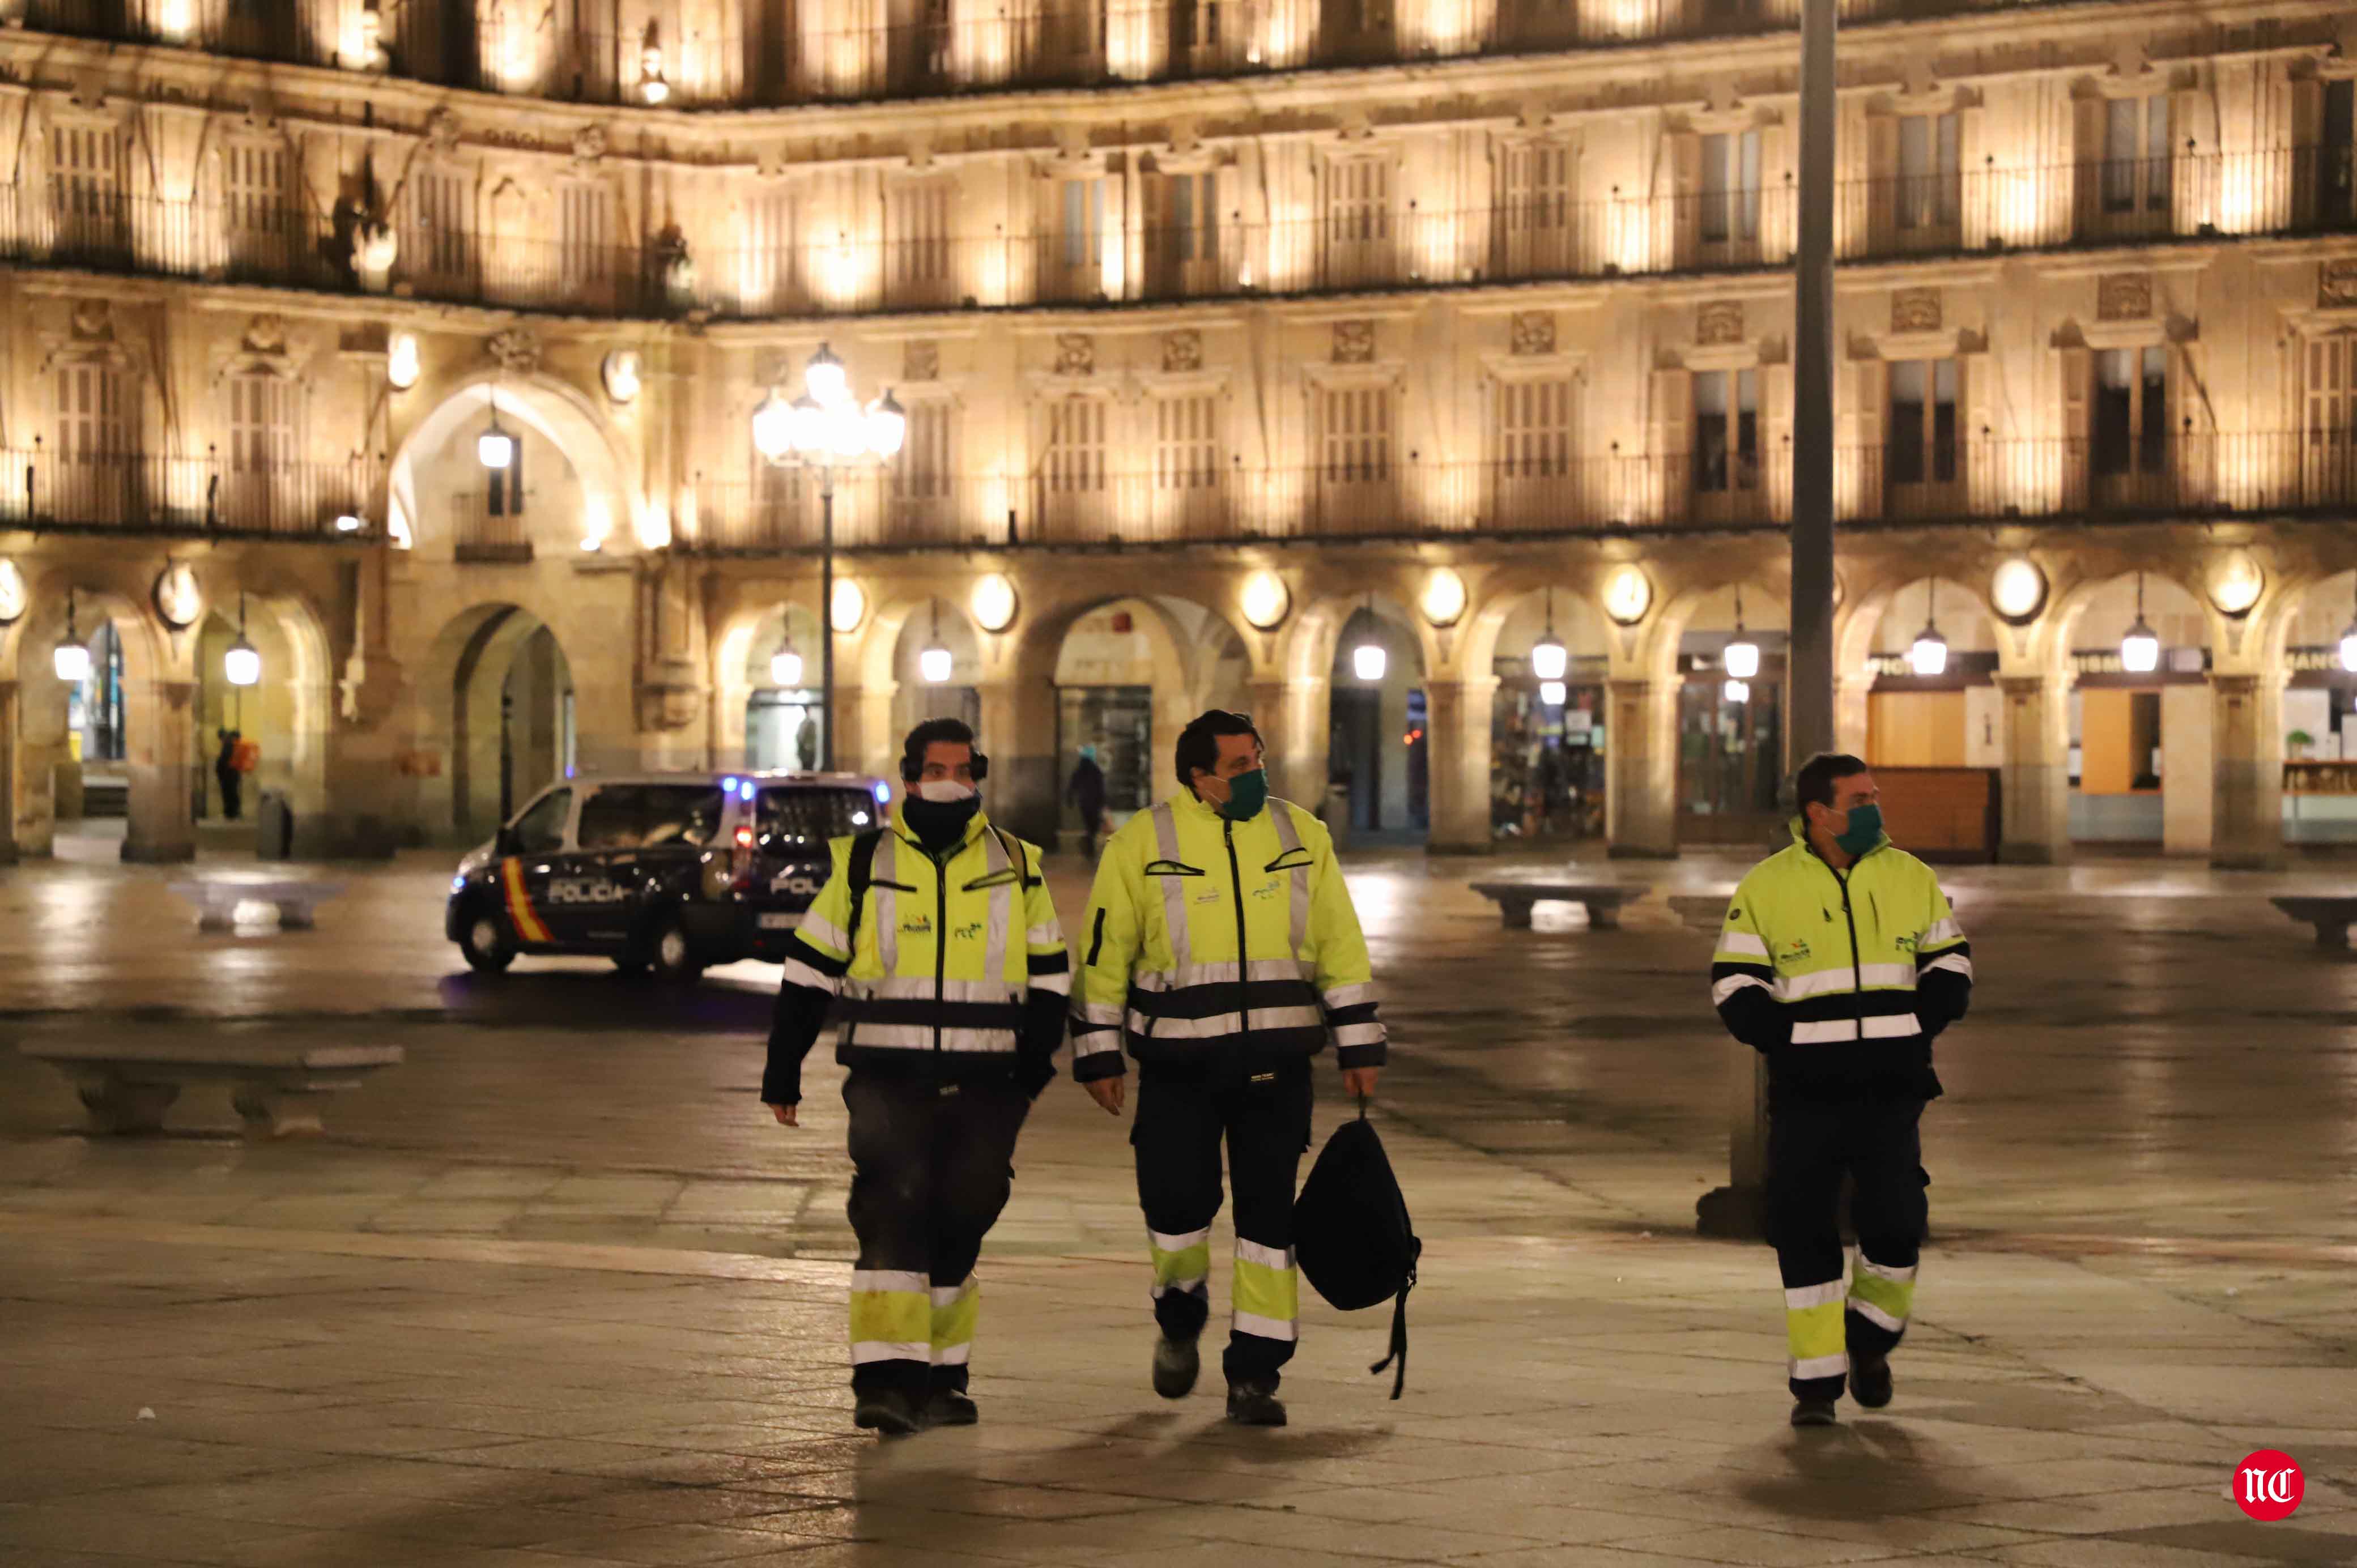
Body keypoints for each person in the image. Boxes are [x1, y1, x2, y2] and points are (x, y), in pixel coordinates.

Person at [1071, 709, 1386, 1428]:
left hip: (1277, 1064)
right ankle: (1179, 1314)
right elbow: (1104, 953)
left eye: (1257, 759)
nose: (1255, 774)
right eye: (1239, 765)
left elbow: (1340, 942)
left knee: (1268, 1223)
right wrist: (1097, 1051)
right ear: (1199, 776)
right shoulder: (1141, 842)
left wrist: (1359, 1042)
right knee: (1176, 1209)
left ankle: (1255, 1371)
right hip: (1178, 1067)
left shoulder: (1300, 835)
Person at [762, 718, 1070, 1437]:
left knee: (963, 1214)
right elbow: (807, 976)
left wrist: (1026, 1079)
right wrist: (784, 1070)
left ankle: (943, 1378)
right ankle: (887, 1382)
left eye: (964, 770)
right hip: (886, 1077)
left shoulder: (1016, 864)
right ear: (908, 777)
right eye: (937, 769)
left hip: (988, 1085)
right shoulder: (864, 863)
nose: (951, 782)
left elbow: (1053, 984)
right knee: (892, 1209)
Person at [1710, 753, 1973, 1429]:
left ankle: (1871, 1340)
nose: (1873, 808)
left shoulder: (1910, 875)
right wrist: (1785, 1039)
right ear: (1817, 812)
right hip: (1806, 1095)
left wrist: (1919, 1023)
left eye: (1874, 795)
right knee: (1801, 1229)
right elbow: (1734, 983)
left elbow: (1950, 963)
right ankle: (1816, 1386)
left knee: (1895, 1225)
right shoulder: (1766, 886)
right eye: (1859, 798)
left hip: (1891, 1089)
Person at [1067, 744, 1107, 859]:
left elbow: (1072, 786)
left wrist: (1070, 799)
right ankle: (1088, 845)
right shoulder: (1096, 770)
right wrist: (1103, 803)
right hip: (1095, 803)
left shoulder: (1080, 770)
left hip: (1084, 802)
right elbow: (1101, 788)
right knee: (1093, 826)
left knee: (1089, 825)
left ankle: (1088, 845)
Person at [215, 729, 243, 821]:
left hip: (228, 775)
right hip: (233, 774)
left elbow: (224, 760)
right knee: (232, 794)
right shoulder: (232, 744)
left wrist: (219, 770)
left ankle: (231, 814)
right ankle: (232, 814)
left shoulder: (228, 744)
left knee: (229, 794)